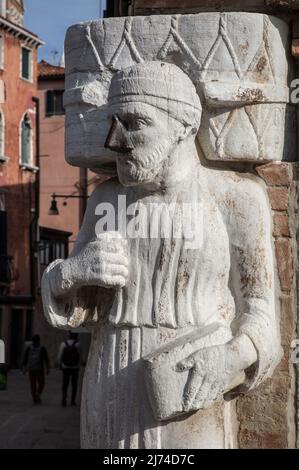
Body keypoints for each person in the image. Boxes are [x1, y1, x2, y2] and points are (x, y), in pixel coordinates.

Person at [42, 62, 280, 448]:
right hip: (109, 377)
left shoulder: (236, 197)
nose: (114, 140)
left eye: (134, 123)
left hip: (190, 379)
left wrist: (231, 357)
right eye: (112, 123)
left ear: (185, 126)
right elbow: (70, 297)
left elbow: (261, 310)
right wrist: (73, 272)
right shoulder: (106, 198)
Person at [22, 334, 49, 404]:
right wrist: (47, 368)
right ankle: (38, 393)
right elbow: (46, 359)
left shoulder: (29, 348)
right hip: (39, 369)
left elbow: (25, 358)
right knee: (41, 383)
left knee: (32, 384)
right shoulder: (42, 348)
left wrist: (24, 368)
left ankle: (34, 398)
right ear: (39, 340)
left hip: (31, 369)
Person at [58, 332, 80, 407]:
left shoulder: (63, 344)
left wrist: (60, 364)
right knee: (74, 385)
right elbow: (80, 355)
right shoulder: (78, 344)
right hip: (75, 367)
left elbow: (60, 355)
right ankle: (72, 400)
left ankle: (64, 399)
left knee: (65, 384)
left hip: (65, 367)